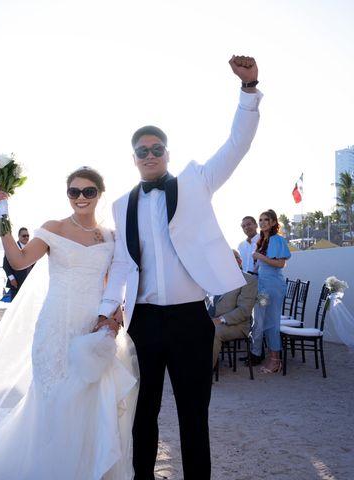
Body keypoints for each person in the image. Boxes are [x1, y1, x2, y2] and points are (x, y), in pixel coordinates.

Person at [98, 55, 262, 479]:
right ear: (133, 158)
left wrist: (248, 91)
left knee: (194, 416)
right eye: (141, 151)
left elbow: (236, 147)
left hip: (191, 320)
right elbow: (120, 262)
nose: (149, 154)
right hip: (144, 323)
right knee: (143, 414)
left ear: (166, 153)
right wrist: (105, 308)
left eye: (156, 149)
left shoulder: (196, 181)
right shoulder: (121, 205)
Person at [0, 167, 139, 479]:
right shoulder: (54, 228)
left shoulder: (112, 237)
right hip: (56, 326)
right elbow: (19, 261)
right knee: (54, 397)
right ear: (67, 195)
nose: (81, 197)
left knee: (91, 398)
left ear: (100, 193)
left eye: (88, 191)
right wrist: (0, 213)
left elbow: (116, 281)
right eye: (74, 191)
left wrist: (115, 315)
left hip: (93, 327)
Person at [252, 209, 291, 374]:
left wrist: (260, 257)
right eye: (260, 220)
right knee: (262, 320)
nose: (262, 222)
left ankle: (276, 361)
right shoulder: (263, 241)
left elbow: (281, 264)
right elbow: (260, 266)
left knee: (272, 321)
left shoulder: (277, 239)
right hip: (262, 287)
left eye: (266, 219)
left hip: (273, 286)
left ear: (274, 222)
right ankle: (271, 357)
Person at [209, 250, 258, 368]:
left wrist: (220, 319)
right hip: (214, 320)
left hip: (238, 324)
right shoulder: (217, 279)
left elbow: (244, 311)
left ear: (239, 262)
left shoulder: (249, 280)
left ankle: (206, 370)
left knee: (212, 331)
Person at [2, 227, 31, 300]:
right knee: (15, 305)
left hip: (29, 282)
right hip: (16, 282)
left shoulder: (31, 247)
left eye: (28, 235)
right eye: (24, 236)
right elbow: (5, 265)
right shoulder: (13, 247)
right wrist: (12, 279)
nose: (26, 237)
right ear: (19, 236)